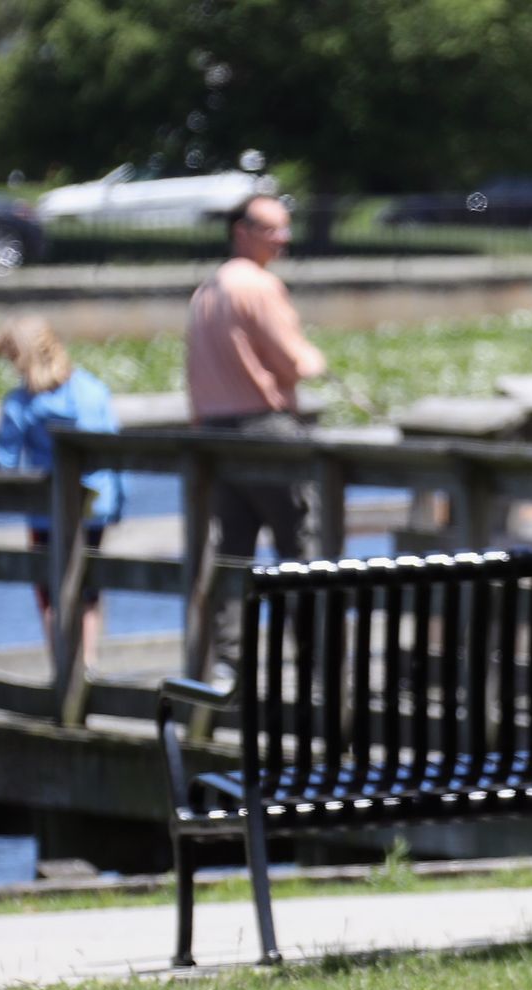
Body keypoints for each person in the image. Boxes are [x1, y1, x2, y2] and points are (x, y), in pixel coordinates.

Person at [186, 193, 327, 678]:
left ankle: (229, 662)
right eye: (272, 229)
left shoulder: (207, 289)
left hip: (216, 436)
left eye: (285, 228)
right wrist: (314, 360)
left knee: (233, 552)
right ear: (242, 231)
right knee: (302, 545)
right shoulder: (260, 286)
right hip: (267, 430)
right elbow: (295, 362)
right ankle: (314, 663)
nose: (283, 239)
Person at [0, 316, 126, 667]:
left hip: (46, 512)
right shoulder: (93, 390)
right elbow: (114, 449)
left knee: (50, 591)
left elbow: (4, 464)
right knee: (88, 587)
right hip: (96, 506)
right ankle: (87, 663)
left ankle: (62, 666)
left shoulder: (21, 403)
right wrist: (117, 500)